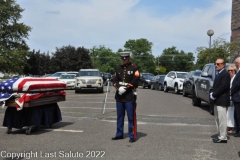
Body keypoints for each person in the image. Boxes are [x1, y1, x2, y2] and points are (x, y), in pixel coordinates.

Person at [112, 51, 140, 143]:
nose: (124, 60)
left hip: (129, 96)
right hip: (119, 96)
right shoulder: (118, 68)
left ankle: (132, 135)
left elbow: (136, 79)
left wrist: (126, 88)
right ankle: (119, 134)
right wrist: (118, 88)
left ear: (129, 58)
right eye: (122, 59)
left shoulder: (135, 68)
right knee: (120, 116)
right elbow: (114, 80)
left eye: (126, 58)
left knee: (131, 117)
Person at [210, 58, 230, 143]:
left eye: (218, 64)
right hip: (217, 100)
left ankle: (223, 137)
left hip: (222, 100)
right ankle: (220, 135)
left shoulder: (225, 74)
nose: (216, 65)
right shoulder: (219, 73)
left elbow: (223, 87)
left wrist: (214, 94)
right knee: (217, 119)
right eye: (216, 64)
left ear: (223, 65)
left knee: (222, 119)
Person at [231, 56, 240, 137]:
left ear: (238, 63)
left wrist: (231, 90)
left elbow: (238, 84)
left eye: (236, 63)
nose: (235, 65)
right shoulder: (239, 71)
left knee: (238, 114)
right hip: (236, 96)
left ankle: (238, 130)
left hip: (238, 96)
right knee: (236, 114)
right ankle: (237, 129)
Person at [227, 65, 237, 134]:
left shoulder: (235, 78)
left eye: (232, 70)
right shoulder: (229, 78)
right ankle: (230, 126)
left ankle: (233, 127)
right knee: (229, 113)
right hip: (229, 98)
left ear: (235, 71)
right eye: (229, 70)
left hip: (234, 97)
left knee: (232, 113)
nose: (230, 72)